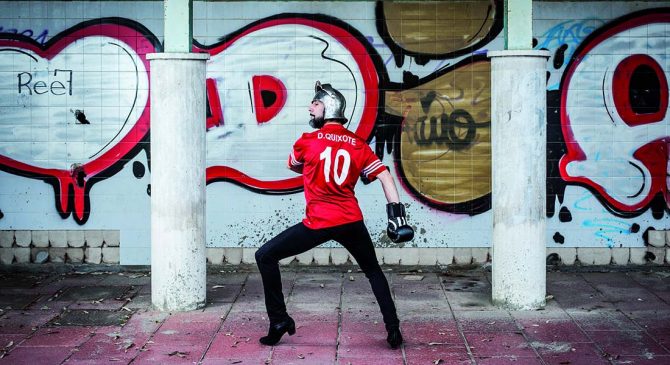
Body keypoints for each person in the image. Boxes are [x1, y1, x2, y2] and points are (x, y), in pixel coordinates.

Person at [255, 81, 414, 349]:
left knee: (265, 256)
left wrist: (311, 171)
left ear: (327, 107)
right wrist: (397, 216)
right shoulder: (357, 144)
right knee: (373, 271)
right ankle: (393, 329)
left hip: (318, 223)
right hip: (351, 221)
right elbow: (385, 175)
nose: (310, 108)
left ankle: (279, 321)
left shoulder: (307, 141)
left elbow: (293, 165)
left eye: (314, 104)